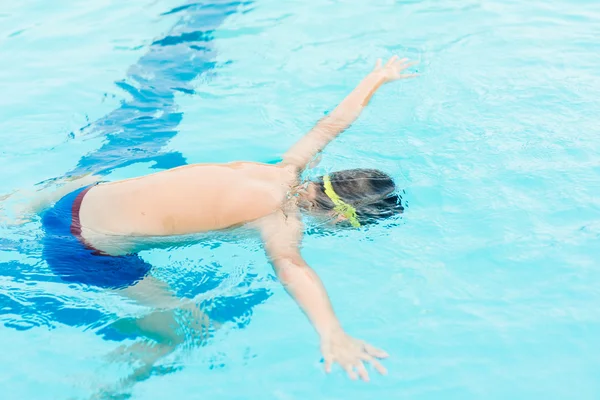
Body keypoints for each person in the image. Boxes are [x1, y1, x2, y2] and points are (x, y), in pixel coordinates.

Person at [27, 56, 416, 383]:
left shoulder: (288, 167)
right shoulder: (279, 220)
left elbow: (329, 125)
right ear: (341, 220)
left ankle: (17, 209)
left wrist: (375, 79)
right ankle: (95, 388)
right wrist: (333, 332)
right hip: (83, 251)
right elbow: (293, 268)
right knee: (188, 332)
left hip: (74, 197)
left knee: (106, 185)